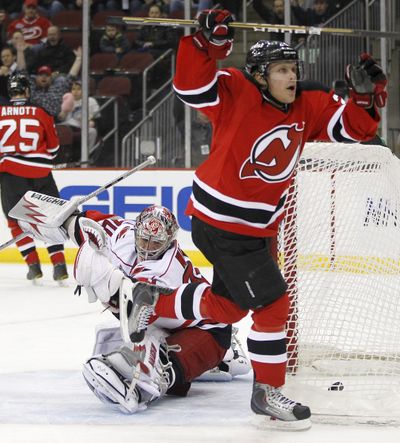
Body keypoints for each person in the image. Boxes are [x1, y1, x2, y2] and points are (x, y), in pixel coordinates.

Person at [124, 9, 387, 429]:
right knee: (273, 304)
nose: (292, 77)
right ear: (261, 75)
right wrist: (207, 42)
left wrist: (363, 95)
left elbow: (351, 130)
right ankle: (267, 392)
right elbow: (191, 86)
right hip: (222, 223)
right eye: (282, 70)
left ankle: (154, 301)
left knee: (228, 307)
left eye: (294, 69)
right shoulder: (234, 91)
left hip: (258, 229)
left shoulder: (309, 104)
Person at [16, 203, 250, 411]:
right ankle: (222, 361)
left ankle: (212, 356)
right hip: (170, 323)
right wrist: (56, 219)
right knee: (113, 329)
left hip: (208, 331)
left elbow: (137, 315)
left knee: (167, 368)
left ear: (170, 241)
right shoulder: (122, 233)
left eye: (156, 242)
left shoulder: (167, 269)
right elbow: (87, 223)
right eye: (143, 239)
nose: (148, 247)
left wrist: (106, 285)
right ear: (135, 231)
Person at [0, 73, 68, 281]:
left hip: (11, 174)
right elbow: (54, 149)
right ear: (27, 90)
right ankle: (59, 265)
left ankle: (33, 265)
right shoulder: (41, 112)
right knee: (50, 219)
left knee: (15, 221)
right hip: (40, 173)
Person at [58, 80, 101, 160]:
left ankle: (86, 157)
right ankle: (60, 158)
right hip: (69, 127)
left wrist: (92, 122)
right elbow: (61, 118)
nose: (75, 92)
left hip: (83, 127)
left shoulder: (91, 101)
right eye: (73, 89)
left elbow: (97, 118)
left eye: (78, 89)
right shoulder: (68, 100)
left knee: (92, 131)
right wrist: (64, 111)